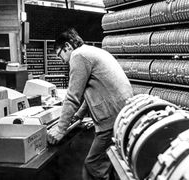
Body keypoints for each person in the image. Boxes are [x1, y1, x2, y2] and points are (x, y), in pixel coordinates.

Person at [47, 28, 133, 180]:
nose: (62, 61)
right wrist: (79, 115)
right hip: (122, 113)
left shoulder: (78, 56)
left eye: (60, 55)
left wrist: (60, 130)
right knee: (107, 161)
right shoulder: (91, 51)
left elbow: (73, 97)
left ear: (67, 46)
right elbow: (94, 93)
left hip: (111, 118)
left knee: (93, 164)